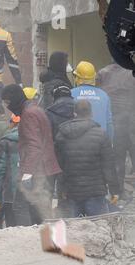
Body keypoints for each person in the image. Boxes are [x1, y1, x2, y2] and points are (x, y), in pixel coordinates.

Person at [2, 84, 62, 225]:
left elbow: (34, 146)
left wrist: (27, 173)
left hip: (37, 171)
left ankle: (27, 240)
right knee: (40, 210)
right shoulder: (36, 110)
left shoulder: (28, 114)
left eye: (7, 102)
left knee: (20, 206)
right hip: (47, 168)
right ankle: (45, 240)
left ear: (14, 99)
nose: (6, 106)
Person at [55, 100, 120, 217]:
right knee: (99, 229)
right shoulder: (101, 134)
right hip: (95, 192)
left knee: (73, 231)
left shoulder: (62, 135)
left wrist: (60, 192)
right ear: (91, 114)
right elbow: (108, 166)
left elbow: (59, 166)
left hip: (71, 193)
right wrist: (114, 191)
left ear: (74, 113)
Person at [97, 63, 135, 200]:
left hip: (117, 121)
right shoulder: (131, 72)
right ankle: (120, 192)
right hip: (129, 120)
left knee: (118, 159)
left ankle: (119, 192)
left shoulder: (103, 72)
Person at [72, 61, 114, 142]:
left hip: (78, 141)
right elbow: (109, 123)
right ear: (94, 77)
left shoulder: (71, 94)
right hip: (100, 141)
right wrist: (110, 142)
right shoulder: (104, 95)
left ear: (77, 78)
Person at [0, 115, 20, 228]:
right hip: (33, 195)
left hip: (10, 195)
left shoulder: (6, 141)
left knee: (12, 230)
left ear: (12, 124)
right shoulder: (38, 139)